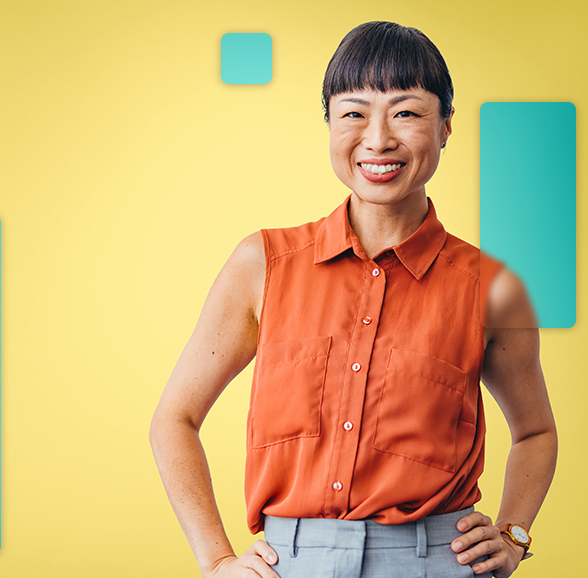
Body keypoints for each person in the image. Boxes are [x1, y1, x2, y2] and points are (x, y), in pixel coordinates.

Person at [149, 21, 556, 578]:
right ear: (330, 124)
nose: (378, 139)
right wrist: (217, 559)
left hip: (436, 562)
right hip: (289, 564)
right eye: (353, 113)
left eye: (406, 112)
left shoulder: (494, 287)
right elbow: (174, 419)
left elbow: (536, 432)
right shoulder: (262, 264)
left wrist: (512, 535)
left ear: (445, 126)